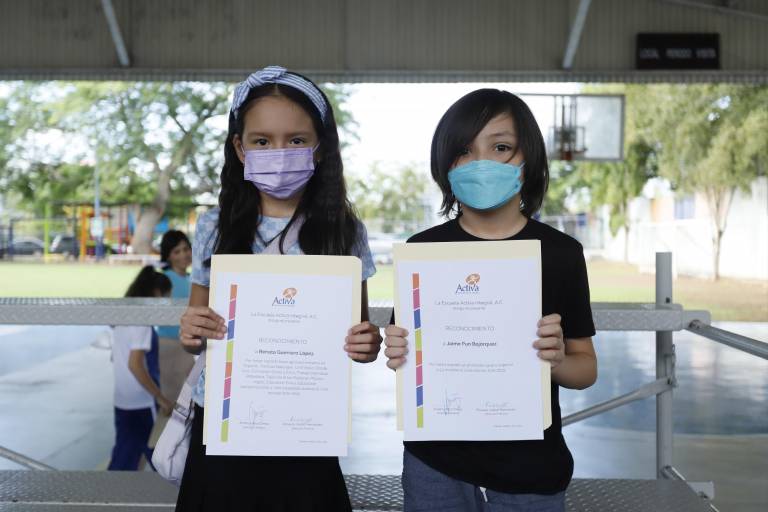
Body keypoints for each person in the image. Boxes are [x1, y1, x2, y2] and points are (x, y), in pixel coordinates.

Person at [175, 66, 382, 511]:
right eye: (262, 141)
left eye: (296, 140)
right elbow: (196, 335)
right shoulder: (215, 224)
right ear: (240, 148)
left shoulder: (343, 231)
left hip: (307, 421)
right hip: (224, 420)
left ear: (321, 148)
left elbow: (360, 336)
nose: (279, 151)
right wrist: (192, 331)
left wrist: (367, 344)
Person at [383, 89, 598, 512]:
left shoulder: (559, 253)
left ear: (527, 159)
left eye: (500, 148)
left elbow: (585, 368)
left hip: (531, 468)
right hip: (435, 464)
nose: (481, 163)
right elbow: (405, 361)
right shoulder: (421, 252)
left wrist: (554, 361)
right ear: (444, 164)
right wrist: (398, 354)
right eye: (463, 151)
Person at [108, 265, 175, 471]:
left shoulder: (122, 318)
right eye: (166, 297)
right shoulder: (142, 322)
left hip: (122, 399)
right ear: (155, 293)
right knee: (156, 456)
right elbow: (135, 364)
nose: (167, 303)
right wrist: (159, 396)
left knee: (127, 454)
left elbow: (116, 358)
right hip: (141, 402)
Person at [150, 230, 194, 447]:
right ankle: (157, 450)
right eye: (177, 251)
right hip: (169, 346)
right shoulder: (164, 280)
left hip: (188, 348)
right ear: (168, 256)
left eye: (186, 249)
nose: (184, 254)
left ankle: (167, 452)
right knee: (172, 403)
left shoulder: (192, 278)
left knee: (183, 403)